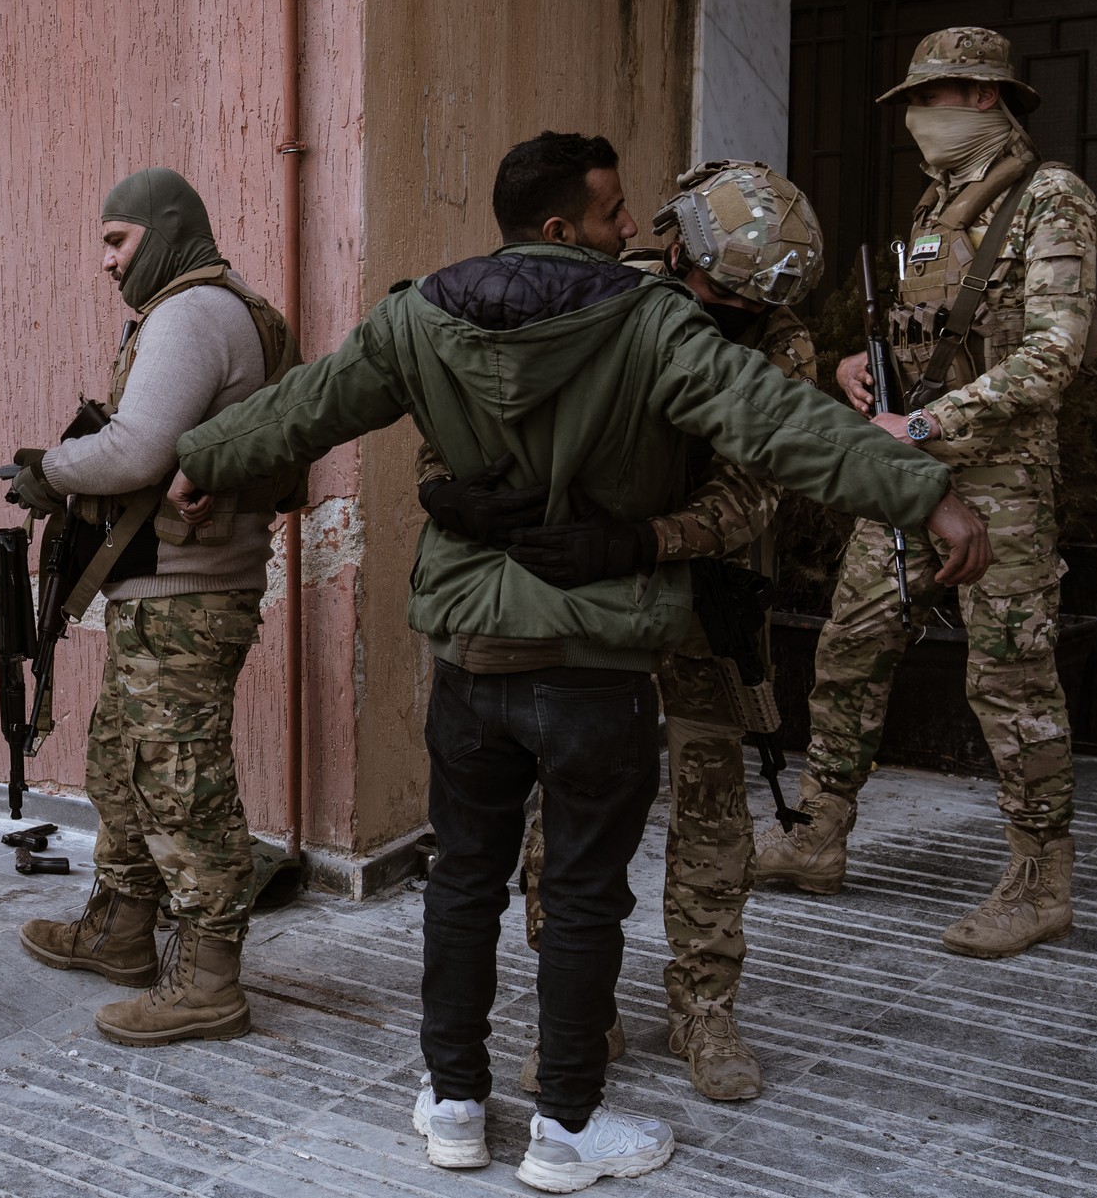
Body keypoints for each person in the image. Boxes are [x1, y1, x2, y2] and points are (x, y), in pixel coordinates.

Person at [168, 131, 988, 1192]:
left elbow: (302, 407)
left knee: (462, 881)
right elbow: (791, 429)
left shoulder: (421, 315)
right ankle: (563, 1129)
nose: (630, 231)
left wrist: (196, 460)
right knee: (588, 893)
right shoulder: (653, 326)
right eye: (612, 215)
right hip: (596, 662)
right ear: (561, 226)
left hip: (470, 651)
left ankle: (455, 1102)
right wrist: (926, 491)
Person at [420, 160, 825, 1104]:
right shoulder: (602, 294)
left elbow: (752, 490)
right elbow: (480, 399)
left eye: (747, 301)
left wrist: (646, 537)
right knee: (562, 811)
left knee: (715, 805)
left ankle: (705, 1006)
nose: (728, 310)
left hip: (697, 591)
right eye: (718, 289)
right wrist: (447, 482)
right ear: (675, 243)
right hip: (580, 599)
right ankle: (579, 1010)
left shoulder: (779, 339)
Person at [755, 28, 1097, 960]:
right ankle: (817, 834)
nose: (919, 117)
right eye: (914, 100)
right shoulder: (934, 205)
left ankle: (1040, 882)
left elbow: (1057, 350)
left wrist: (930, 426)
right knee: (850, 646)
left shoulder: (1050, 197)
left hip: (1001, 483)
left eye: (933, 96)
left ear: (985, 97)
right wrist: (854, 372)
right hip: (910, 472)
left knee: (1011, 679)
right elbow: (917, 334)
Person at [15, 167, 298, 1047]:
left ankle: (208, 977)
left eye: (117, 241)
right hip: (170, 589)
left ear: (167, 231)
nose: (105, 262)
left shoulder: (192, 311)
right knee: (121, 761)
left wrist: (48, 468)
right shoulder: (215, 306)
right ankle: (123, 930)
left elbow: (138, 449)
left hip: (189, 592)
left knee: (181, 782)